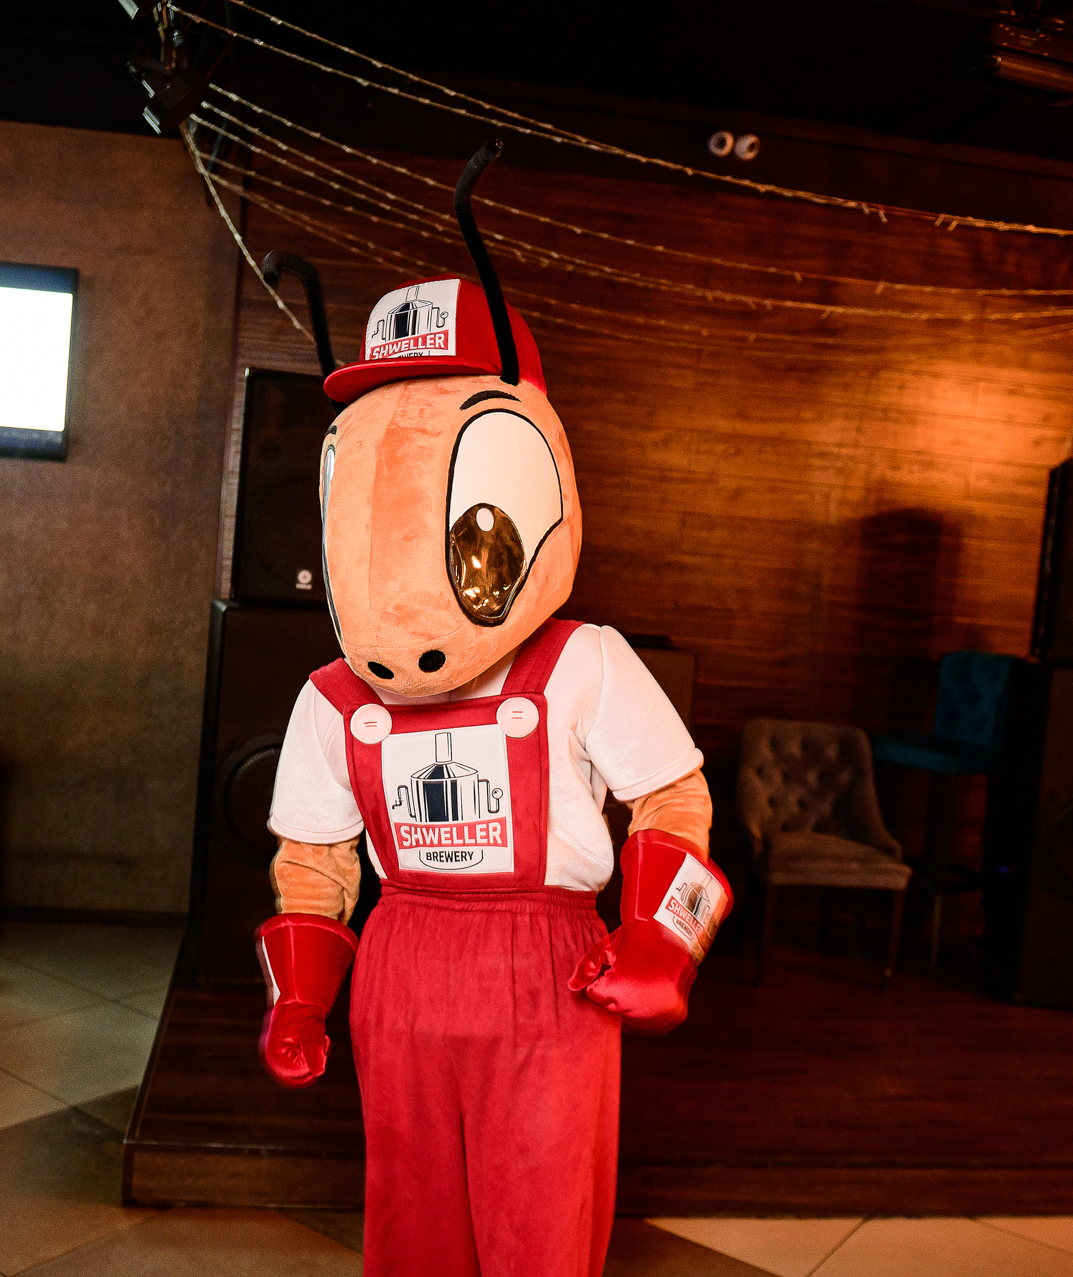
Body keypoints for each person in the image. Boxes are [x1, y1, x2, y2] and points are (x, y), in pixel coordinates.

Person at [253, 142, 731, 1277]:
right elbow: (311, 859)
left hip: (552, 969)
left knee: (542, 1219)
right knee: (409, 1210)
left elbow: (676, 799)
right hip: (401, 961)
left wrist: (664, 939)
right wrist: (300, 994)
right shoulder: (331, 699)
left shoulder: (583, 662)